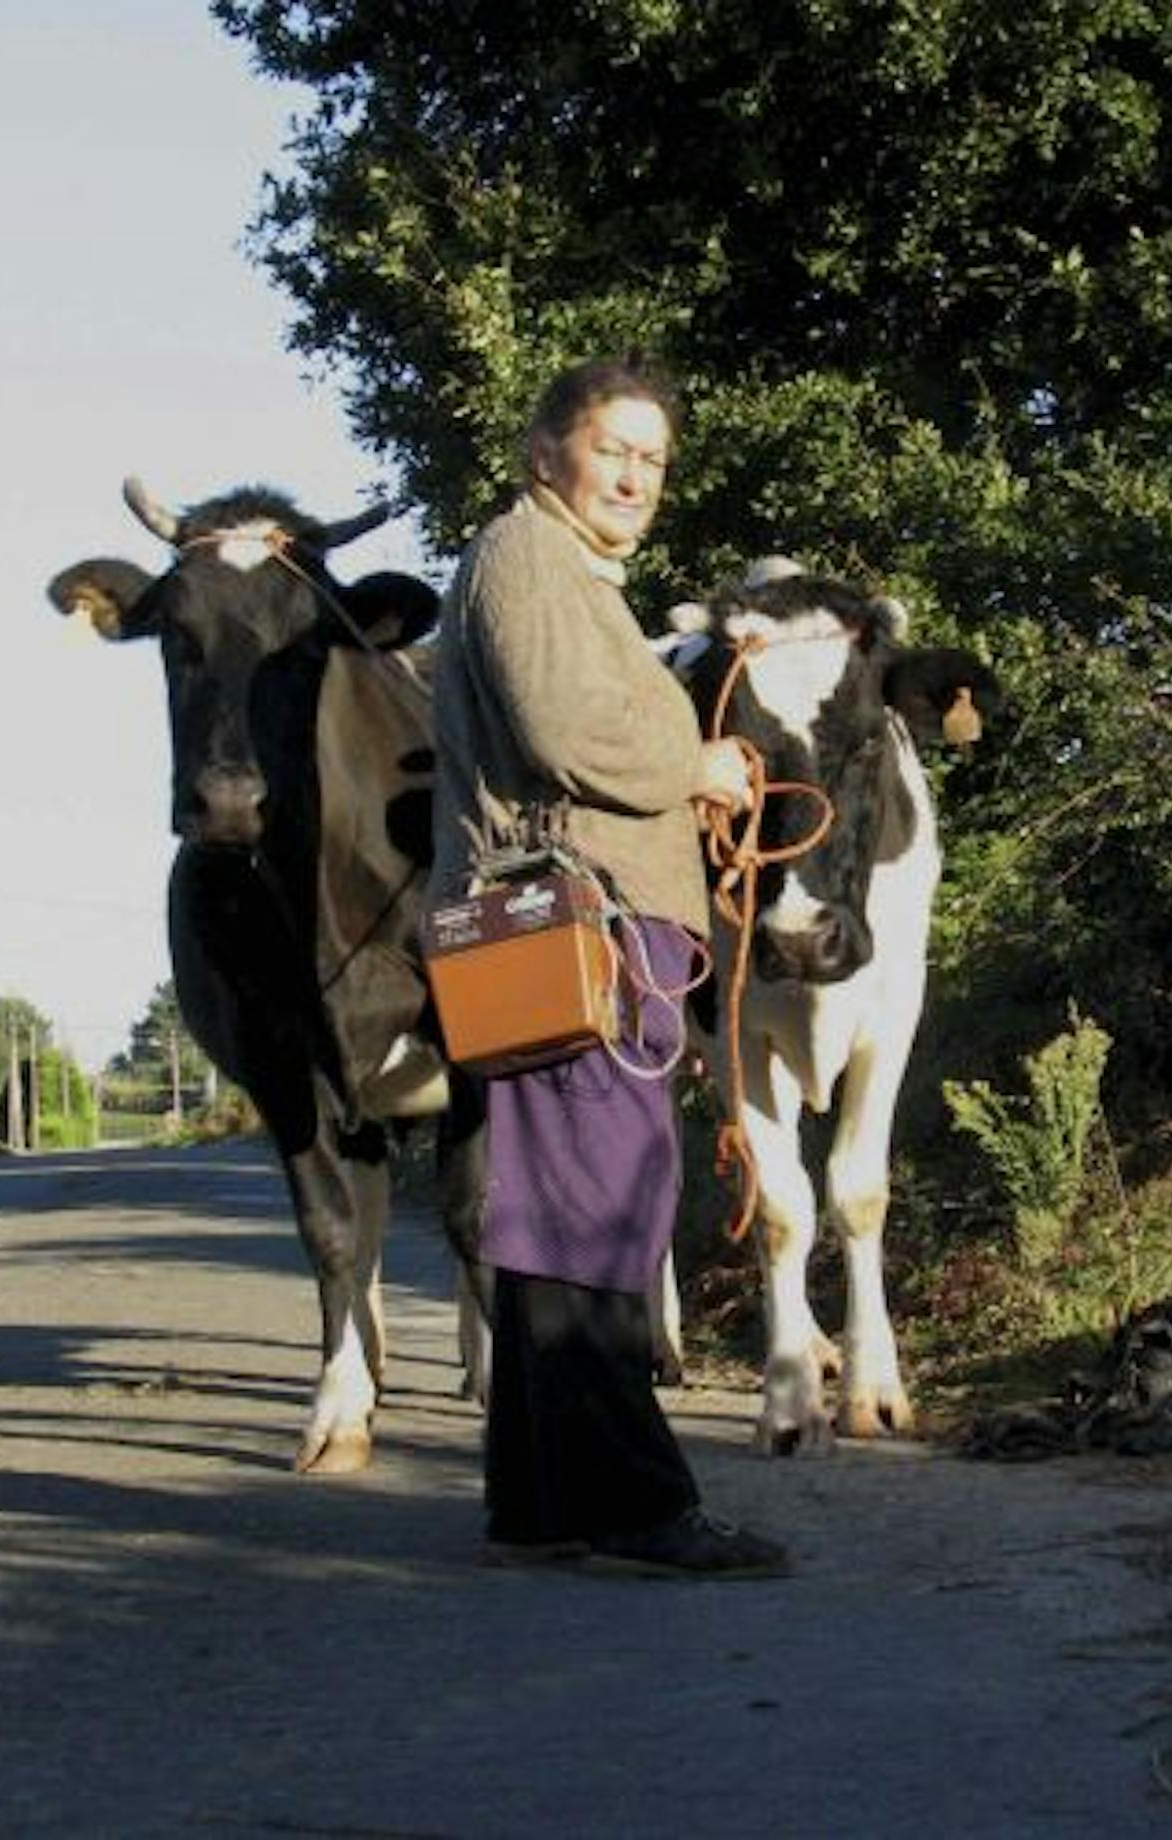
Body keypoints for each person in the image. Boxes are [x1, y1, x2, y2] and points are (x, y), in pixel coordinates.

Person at [429, 355, 790, 1578]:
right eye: (612, 448)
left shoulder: (558, 567)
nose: (635, 474)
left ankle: (541, 1500)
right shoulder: (525, 556)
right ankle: (639, 1503)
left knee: (556, 1210)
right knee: (600, 1206)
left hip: (579, 929)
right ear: (546, 453)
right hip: (570, 930)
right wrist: (698, 766)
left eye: (652, 458)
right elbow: (561, 728)